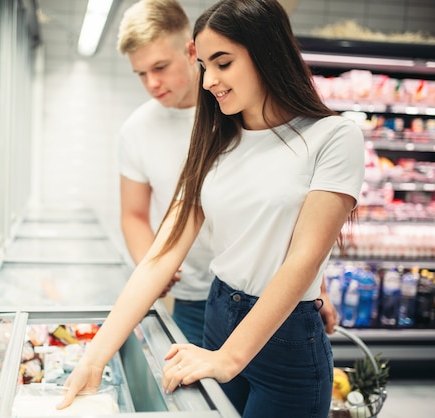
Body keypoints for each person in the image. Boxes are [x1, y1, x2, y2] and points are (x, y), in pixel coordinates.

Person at [58, 0, 364, 416]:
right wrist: (94, 358)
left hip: (285, 337)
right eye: (205, 66)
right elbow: (159, 257)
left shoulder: (334, 137)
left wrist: (228, 357)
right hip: (217, 314)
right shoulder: (216, 142)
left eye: (223, 63)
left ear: (267, 53)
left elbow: (303, 260)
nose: (209, 81)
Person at [116, 0, 213, 347]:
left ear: (191, 51)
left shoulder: (232, 107)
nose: (152, 83)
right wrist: (154, 266)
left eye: (160, 66)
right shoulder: (136, 129)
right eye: (141, 73)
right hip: (191, 301)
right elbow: (133, 215)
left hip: (260, 293)